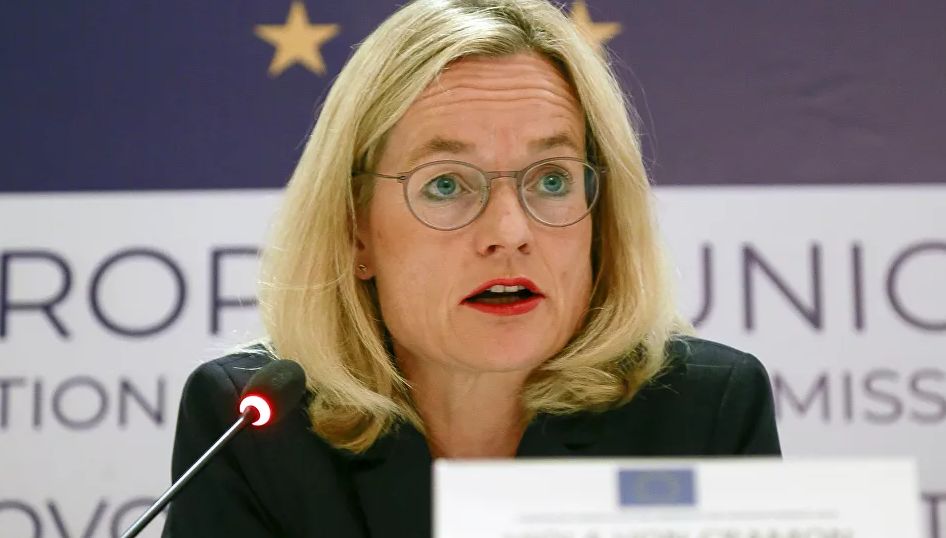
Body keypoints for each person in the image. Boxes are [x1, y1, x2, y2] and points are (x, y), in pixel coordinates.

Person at [162, 0, 780, 536]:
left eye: (553, 179)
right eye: (447, 184)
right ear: (355, 229)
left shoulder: (704, 412)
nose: (509, 233)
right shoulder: (253, 425)